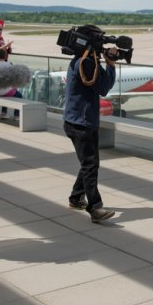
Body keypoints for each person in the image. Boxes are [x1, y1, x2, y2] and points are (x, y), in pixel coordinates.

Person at [63, 27, 118, 223]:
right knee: (90, 165)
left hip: (75, 120)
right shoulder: (86, 62)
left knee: (88, 162)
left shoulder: (82, 59)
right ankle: (95, 208)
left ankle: (77, 197)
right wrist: (110, 65)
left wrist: (104, 61)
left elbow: (98, 81)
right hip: (82, 123)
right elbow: (103, 88)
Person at [0, 48, 21, 119]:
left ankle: (4, 113)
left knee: (6, 90)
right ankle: (16, 115)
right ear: (5, 56)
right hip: (5, 92)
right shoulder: (8, 65)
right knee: (19, 95)